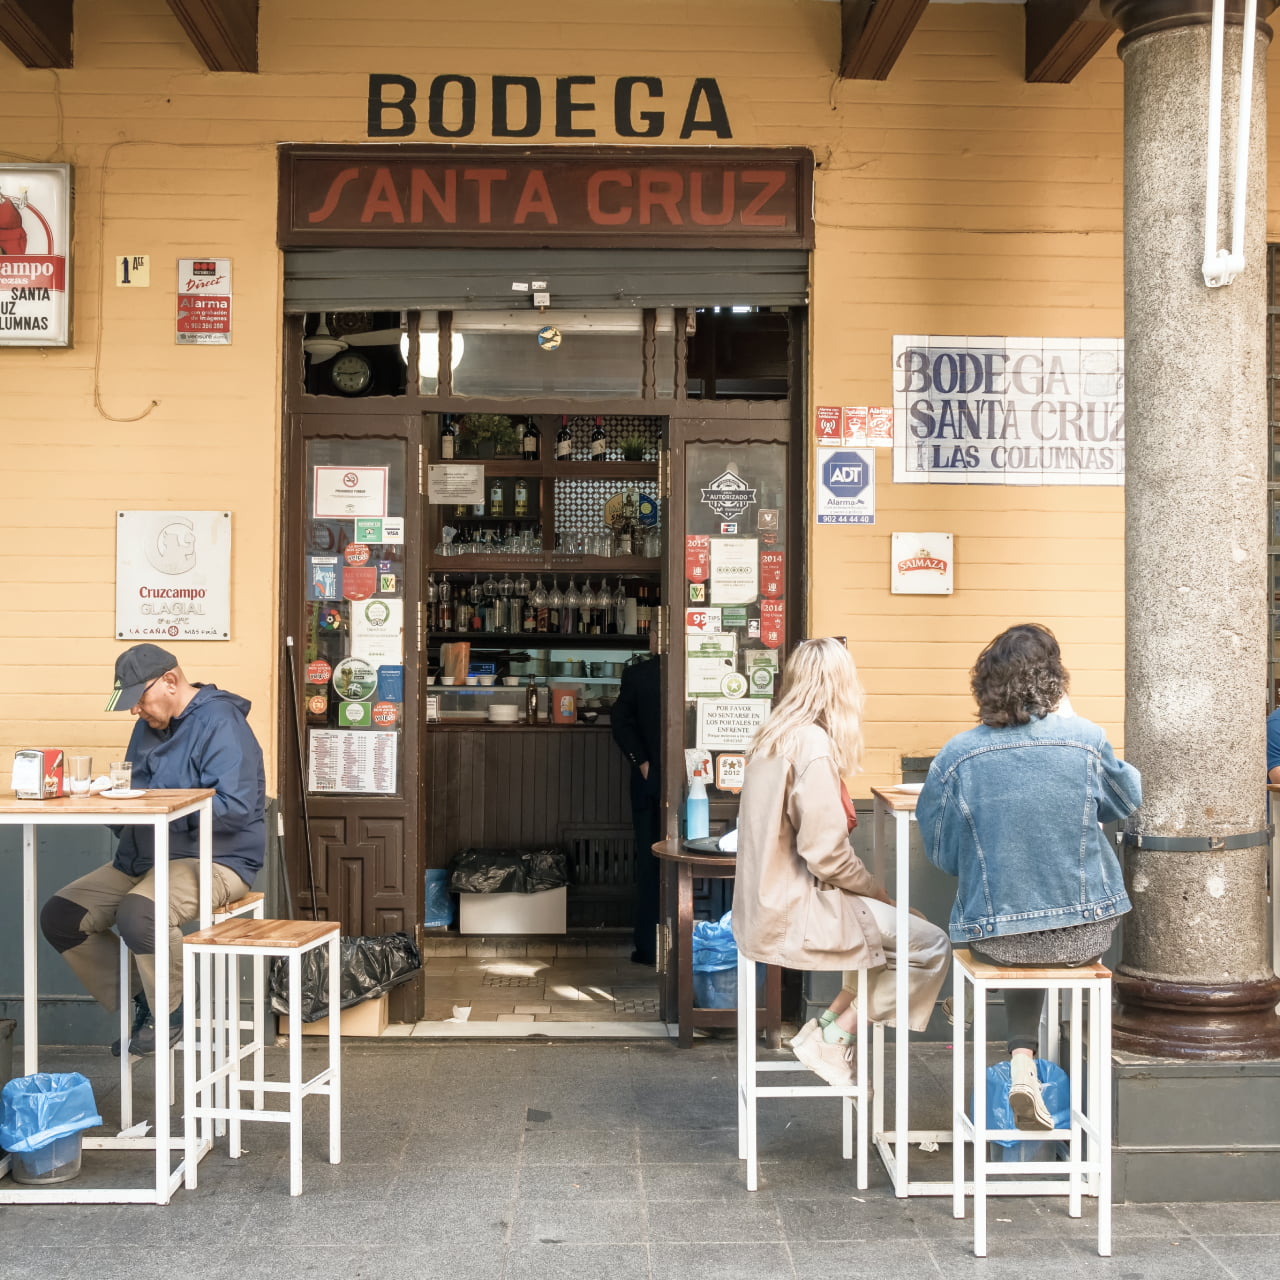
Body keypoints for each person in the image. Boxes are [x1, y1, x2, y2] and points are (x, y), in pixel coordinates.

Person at [917, 623, 1141, 1129]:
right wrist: (1074, 719)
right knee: (1046, 942)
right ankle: (1049, 1075)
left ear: (986, 684)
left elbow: (937, 847)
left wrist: (985, 867)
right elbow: (1127, 801)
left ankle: (1022, 1061)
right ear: (1055, 680)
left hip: (996, 938)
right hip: (1086, 934)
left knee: (1018, 934)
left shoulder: (958, 753)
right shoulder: (1086, 740)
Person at [733, 637, 951, 1087]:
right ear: (839, 688)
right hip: (798, 913)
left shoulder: (770, 737)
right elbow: (827, 856)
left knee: (890, 939)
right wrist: (878, 891)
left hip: (761, 912)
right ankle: (836, 1037)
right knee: (929, 943)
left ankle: (827, 1027)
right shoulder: (812, 743)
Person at [40, 644, 266, 1055]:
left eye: (138, 699)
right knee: (62, 917)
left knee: (140, 911)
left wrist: (161, 806)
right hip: (143, 856)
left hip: (216, 859)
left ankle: (172, 1010)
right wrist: (104, 800)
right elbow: (135, 798)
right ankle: (148, 994)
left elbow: (235, 809)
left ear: (170, 682)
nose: (134, 711)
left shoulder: (222, 722)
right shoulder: (147, 726)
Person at [611, 650, 662, 965]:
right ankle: (650, 945)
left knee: (651, 862)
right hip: (656, 786)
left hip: (657, 784)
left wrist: (642, 763)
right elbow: (621, 722)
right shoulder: (641, 674)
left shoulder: (640, 673)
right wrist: (644, 764)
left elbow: (621, 723)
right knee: (651, 863)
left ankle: (651, 947)